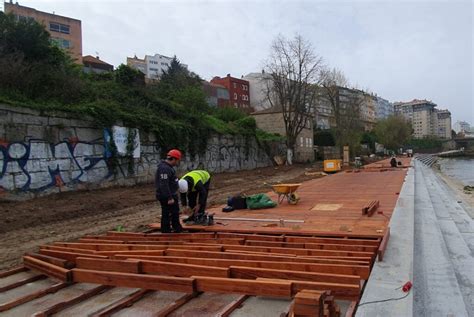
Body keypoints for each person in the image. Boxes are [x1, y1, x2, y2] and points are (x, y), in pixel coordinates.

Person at [155, 149, 183, 233]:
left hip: (169, 194)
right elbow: (164, 184)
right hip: (167, 195)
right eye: (178, 160)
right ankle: (168, 230)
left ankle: (173, 228)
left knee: (173, 212)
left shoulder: (167, 167)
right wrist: (169, 197)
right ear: (174, 159)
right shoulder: (164, 168)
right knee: (169, 213)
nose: (178, 163)